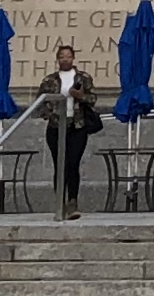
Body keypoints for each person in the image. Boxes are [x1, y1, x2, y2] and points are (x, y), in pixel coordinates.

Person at [37, 42, 104, 219]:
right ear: (57, 59)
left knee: (72, 164)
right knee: (59, 165)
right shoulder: (50, 80)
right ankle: (59, 201)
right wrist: (49, 113)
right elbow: (40, 102)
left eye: (68, 56)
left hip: (77, 125)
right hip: (56, 127)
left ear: (73, 58)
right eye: (62, 56)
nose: (65, 59)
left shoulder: (82, 78)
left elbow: (93, 98)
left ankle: (72, 201)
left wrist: (81, 97)